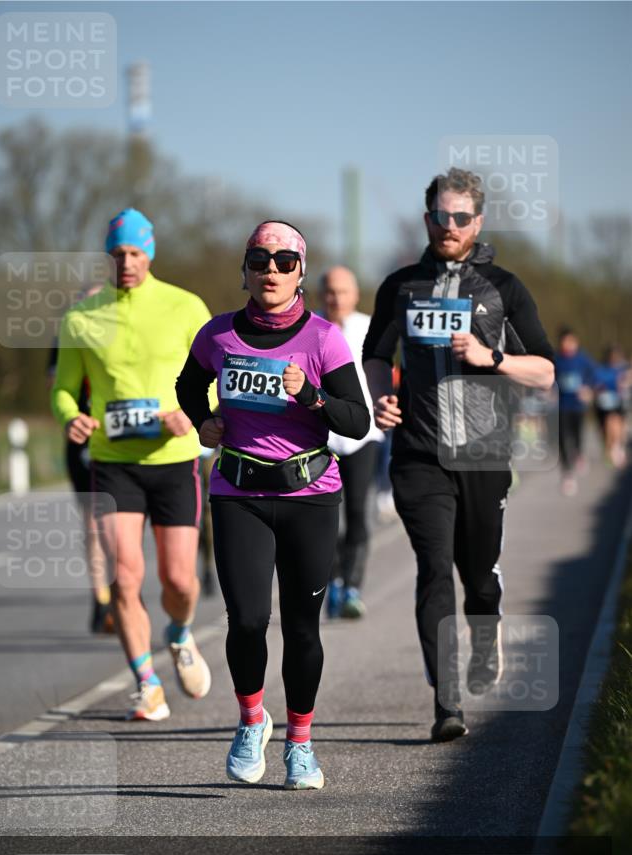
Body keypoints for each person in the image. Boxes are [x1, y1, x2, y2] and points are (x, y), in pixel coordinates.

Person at [363, 168, 554, 742]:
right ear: (427, 220)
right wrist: (380, 399)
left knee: (479, 579)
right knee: (432, 570)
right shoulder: (400, 286)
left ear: (478, 221)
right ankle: (447, 704)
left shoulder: (505, 287)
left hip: (484, 454)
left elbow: (545, 371)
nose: (450, 226)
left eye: (461, 217)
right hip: (418, 454)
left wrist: (491, 358)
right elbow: (375, 355)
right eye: (440, 217)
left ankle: (486, 629)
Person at [176, 221, 369, 788]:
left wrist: (308, 395)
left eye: (285, 261)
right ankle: (251, 719)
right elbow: (188, 387)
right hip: (239, 495)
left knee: (304, 629)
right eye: (260, 260)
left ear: (300, 272)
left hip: (309, 496)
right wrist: (202, 423)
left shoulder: (323, 338)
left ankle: (302, 742)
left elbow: (355, 422)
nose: (271, 271)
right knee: (249, 621)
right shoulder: (217, 335)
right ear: (245, 269)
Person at [52, 208, 212, 721]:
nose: (126, 262)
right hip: (113, 462)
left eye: (135, 253)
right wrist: (71, 417)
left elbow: (214, 376)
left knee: (180, 582)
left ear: (151, 253)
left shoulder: (186, 307)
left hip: (173, 460)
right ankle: (147, 683)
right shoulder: (82, 317)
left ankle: (180, 634)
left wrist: (191, 414)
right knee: (124, 578)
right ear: (108, 256)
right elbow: (62, 389)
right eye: (117, 254)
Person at [47, 283, 115, 635]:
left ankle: (122, 588)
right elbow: (57, 386)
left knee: (121, 522)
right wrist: (73, 417)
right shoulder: (68, 333)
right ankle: (101, 598)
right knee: (93, 521)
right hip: (84, 438)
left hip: (123, 437)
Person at [319, 266, 384, 619]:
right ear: (319, 295)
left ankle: (353, 586)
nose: (336, 298)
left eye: (342, 291)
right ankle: (333, 583)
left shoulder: (370, 328)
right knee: (327, 516)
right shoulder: (309, 328)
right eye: (329, 291)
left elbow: (386, 376)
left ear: (355, 295)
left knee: (359, 512)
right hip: (321, 437)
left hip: (364, 436)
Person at [554, 327, 596, 495]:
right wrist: (550, 390)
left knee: (577, 434)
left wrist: (588, 388)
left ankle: (579, 453)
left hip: (578, 406)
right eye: (565, 342)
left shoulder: (582, 359)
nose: (568, 345)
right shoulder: (557, 359)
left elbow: (594, 374)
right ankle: (568, 474)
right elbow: (549, 377)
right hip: (562, 406)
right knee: (563, 439)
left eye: (571, 342)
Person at [593, 344, 630, 469]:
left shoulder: (623, 368)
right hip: (604, 403)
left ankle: (617, 447)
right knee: (608, 425)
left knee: (618, 424)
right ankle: (611, 449)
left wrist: (625, 382)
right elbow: (596, 384)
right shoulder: (601, 369)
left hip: (618, 401)